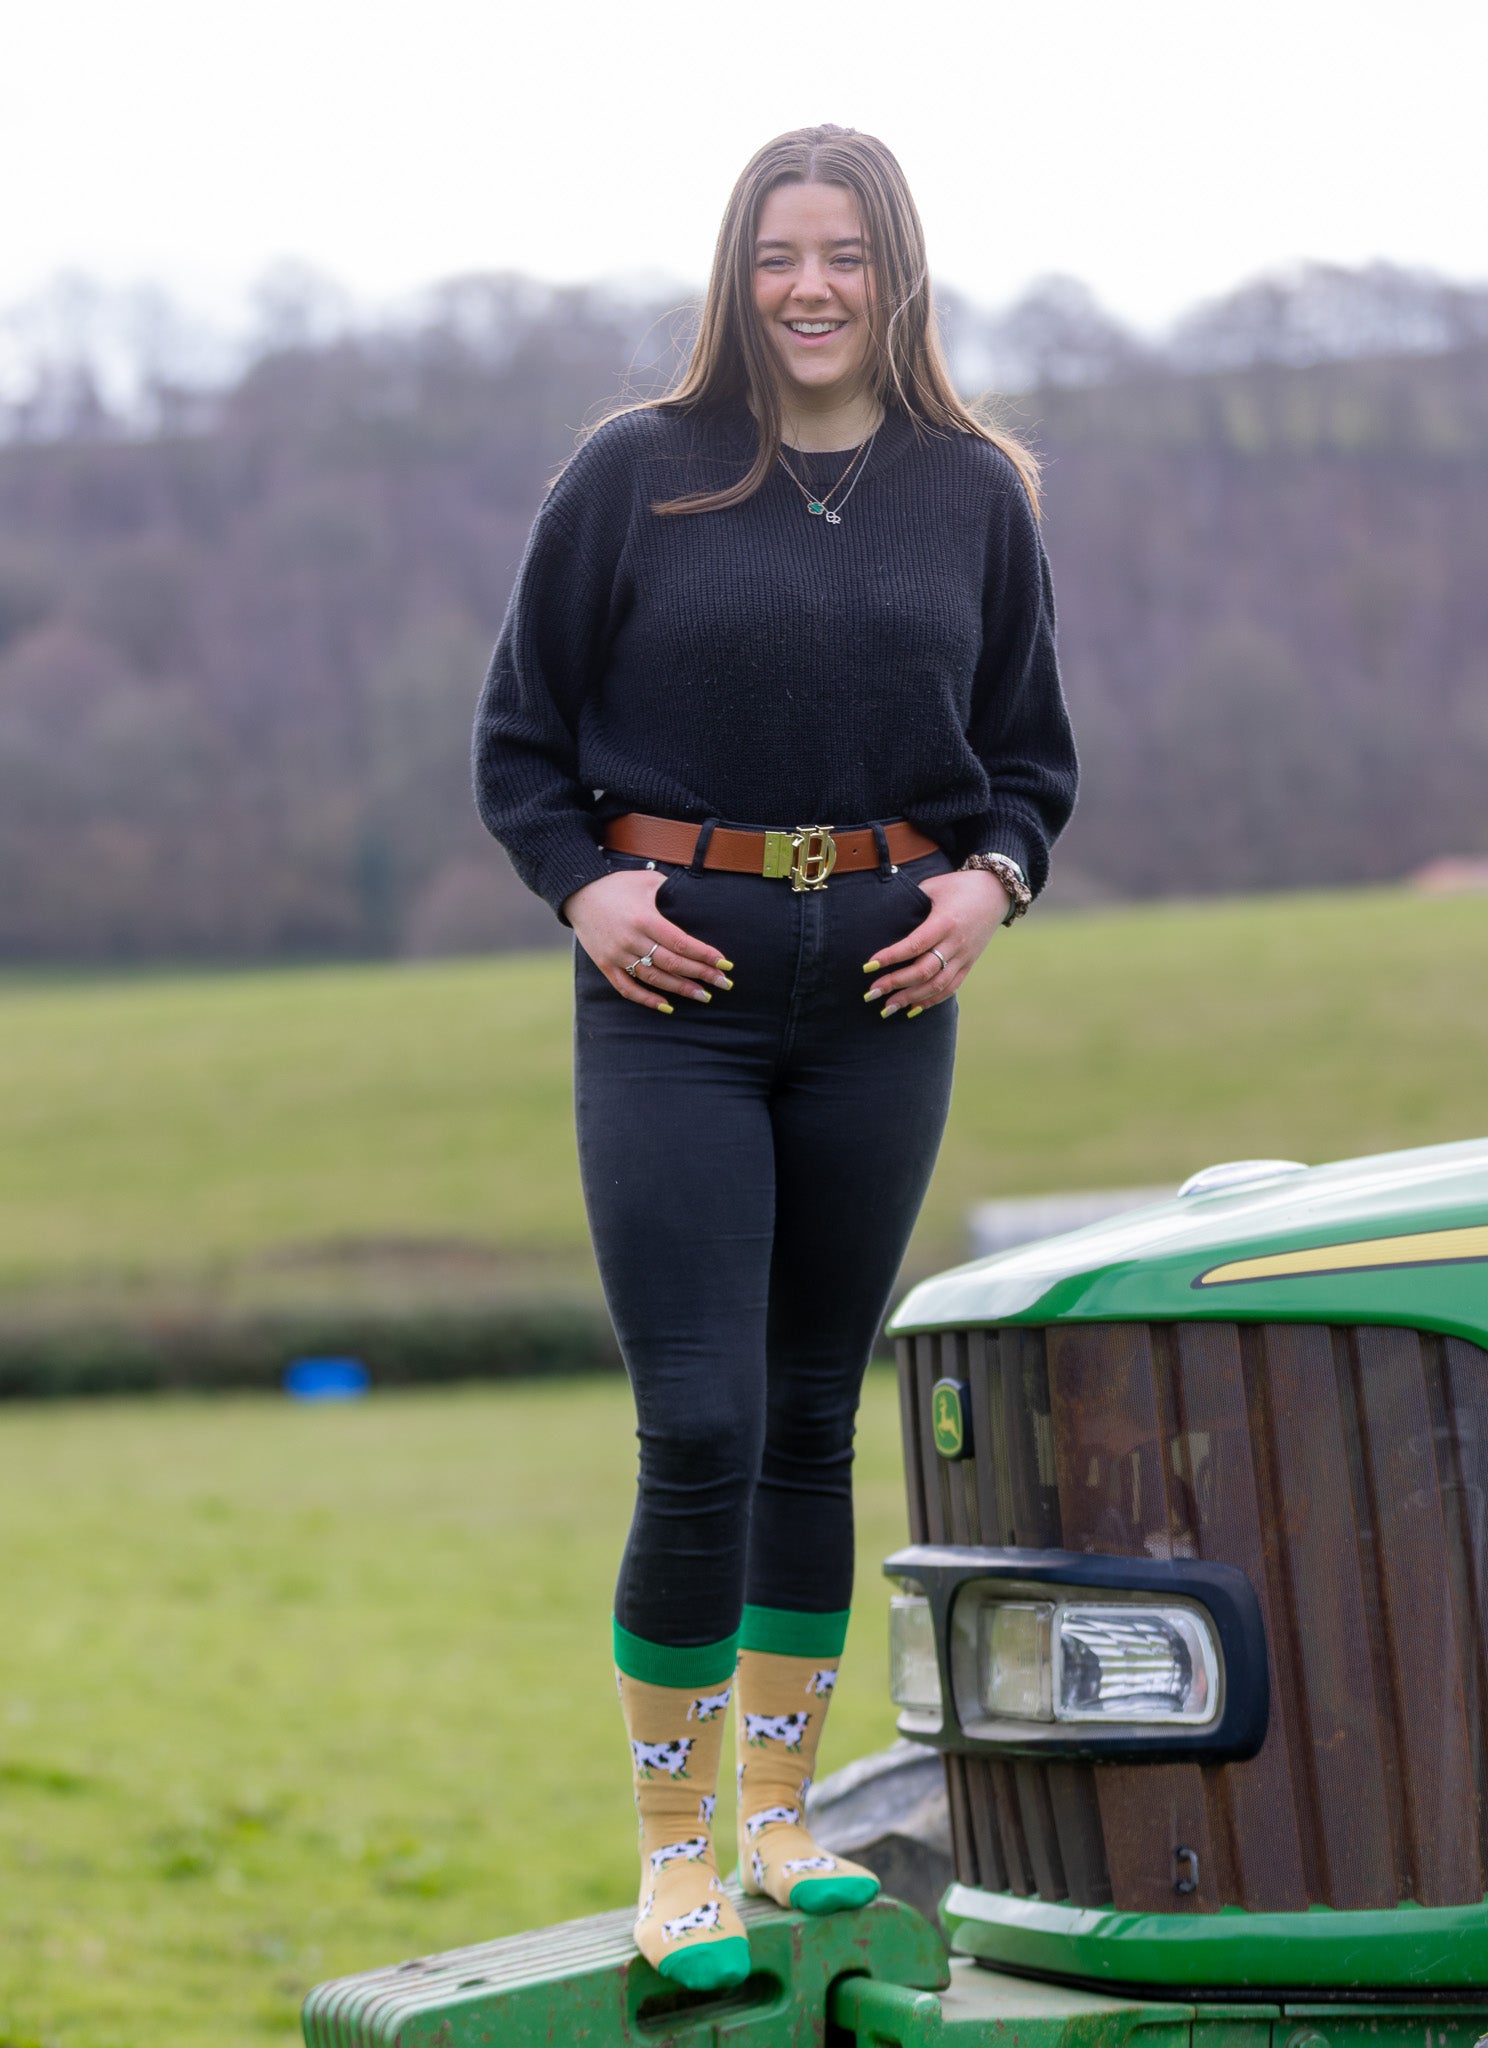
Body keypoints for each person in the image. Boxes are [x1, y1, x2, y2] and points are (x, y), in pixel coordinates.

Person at [473, 123, 1078, 1991]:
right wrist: (585, 895)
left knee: (819, 1414)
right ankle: (674, 1850)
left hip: (887, 996)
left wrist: (994, 885)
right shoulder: (633, 476)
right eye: (775, 255)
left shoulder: (975, 490)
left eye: (846, 256)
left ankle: (786, 1821)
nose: (810, 288)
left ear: (898, 277)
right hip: (673, 1004)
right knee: (706, 1424)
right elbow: (517, 746)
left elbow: (1032, 763)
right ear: (735, 276)